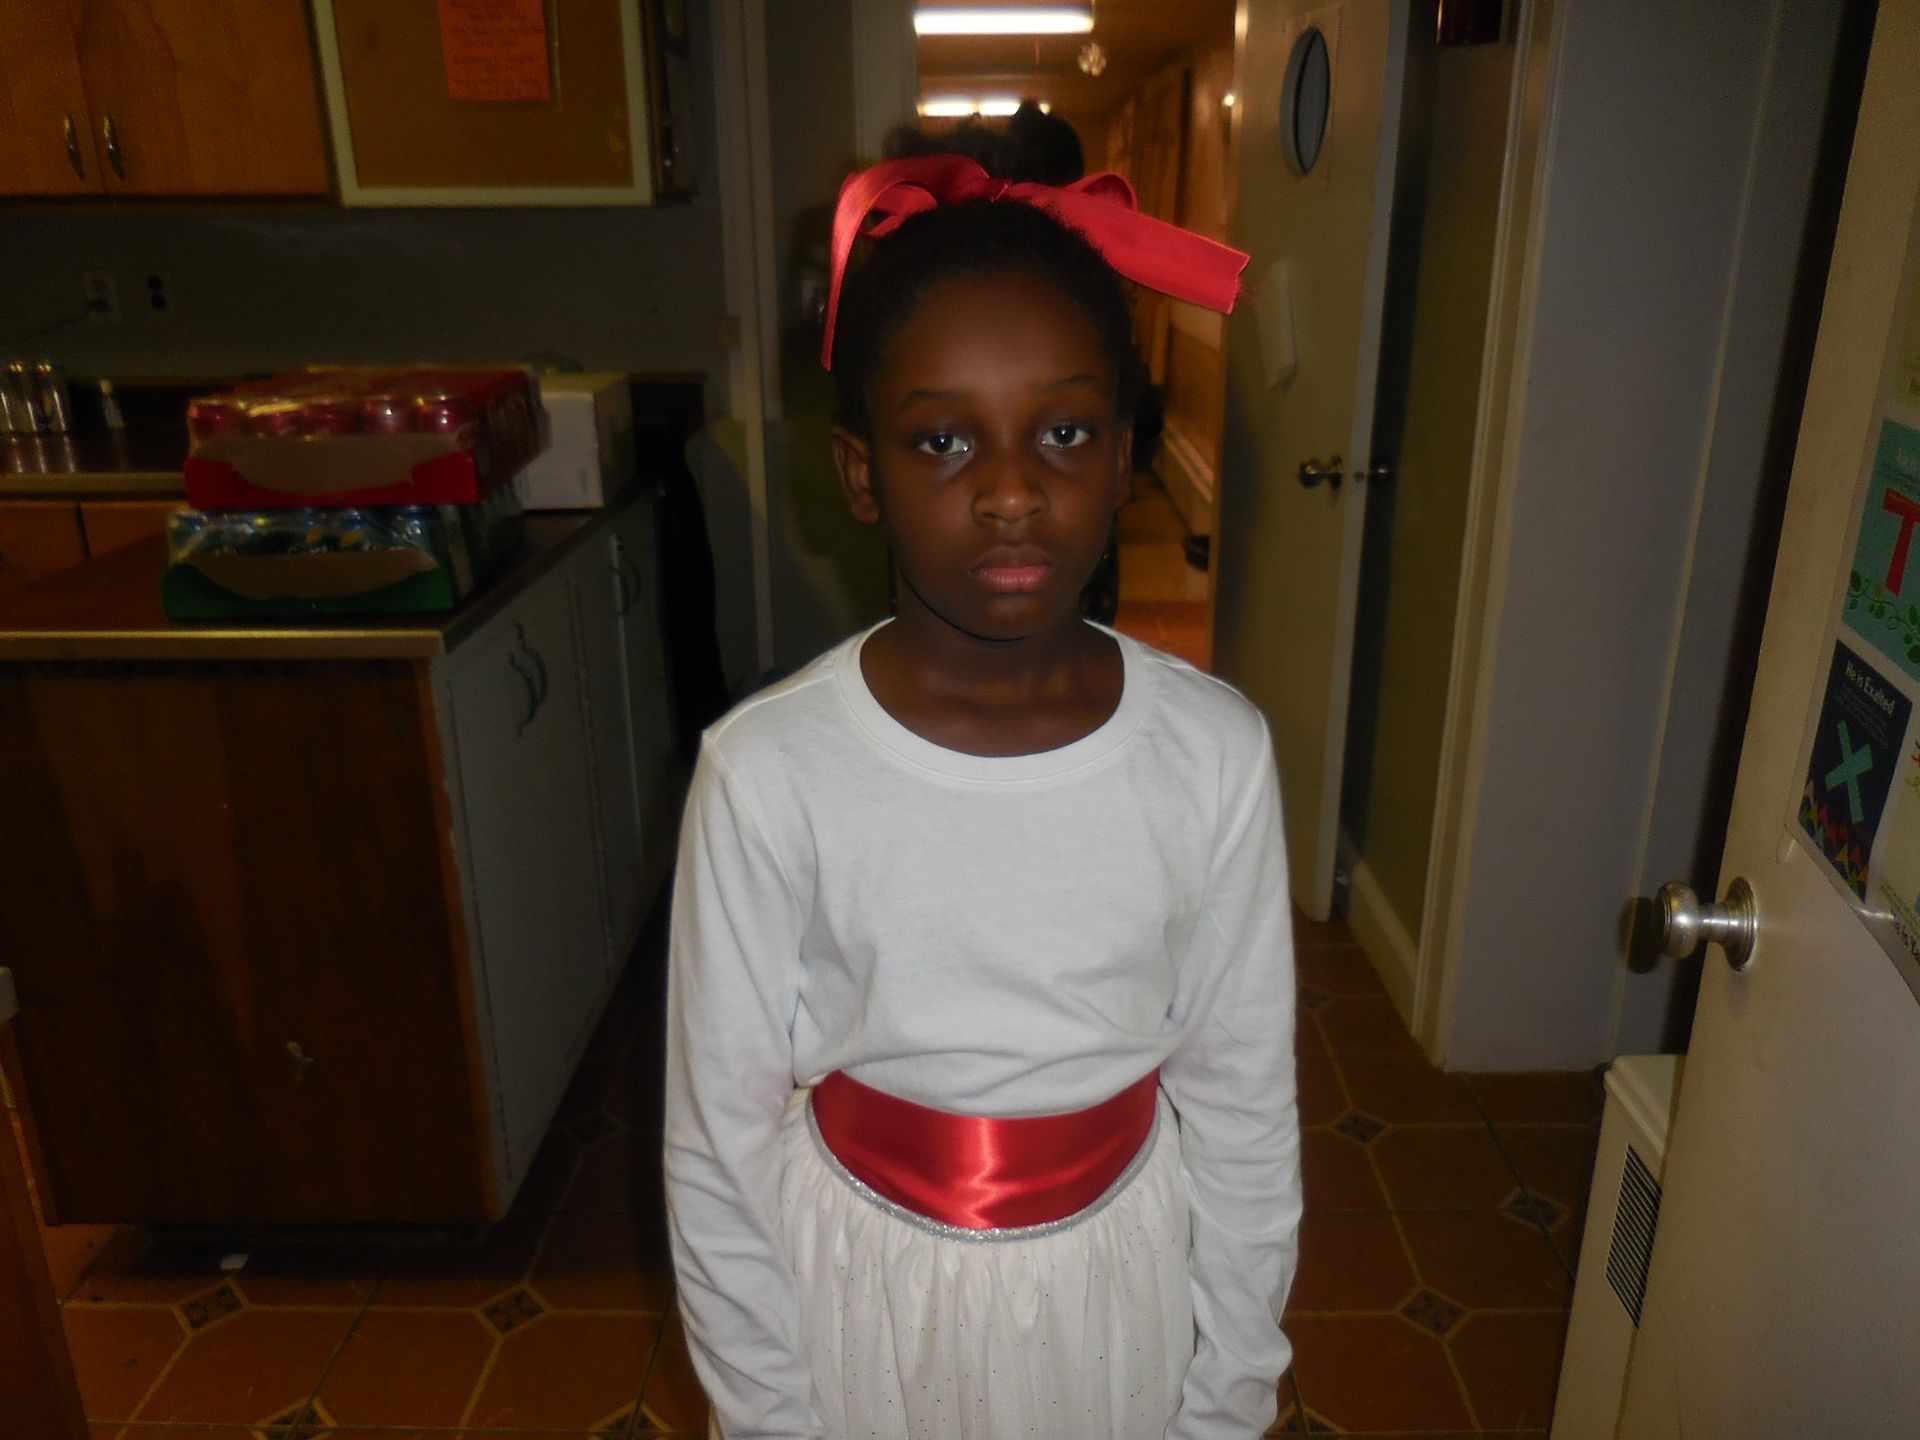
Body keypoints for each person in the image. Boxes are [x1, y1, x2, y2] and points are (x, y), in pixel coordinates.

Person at [664, 155, 1300, 1440]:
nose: (1011, 491)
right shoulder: (768, 773)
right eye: (944, 440)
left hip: (1115, 1288)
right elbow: (716, 1146)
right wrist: (771, 1419)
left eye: (1063, 433)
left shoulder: (1214, 755)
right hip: (862, 1295)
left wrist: (1228, 1394)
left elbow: (1244, 1105)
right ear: (861, 474)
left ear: (1124, 455)